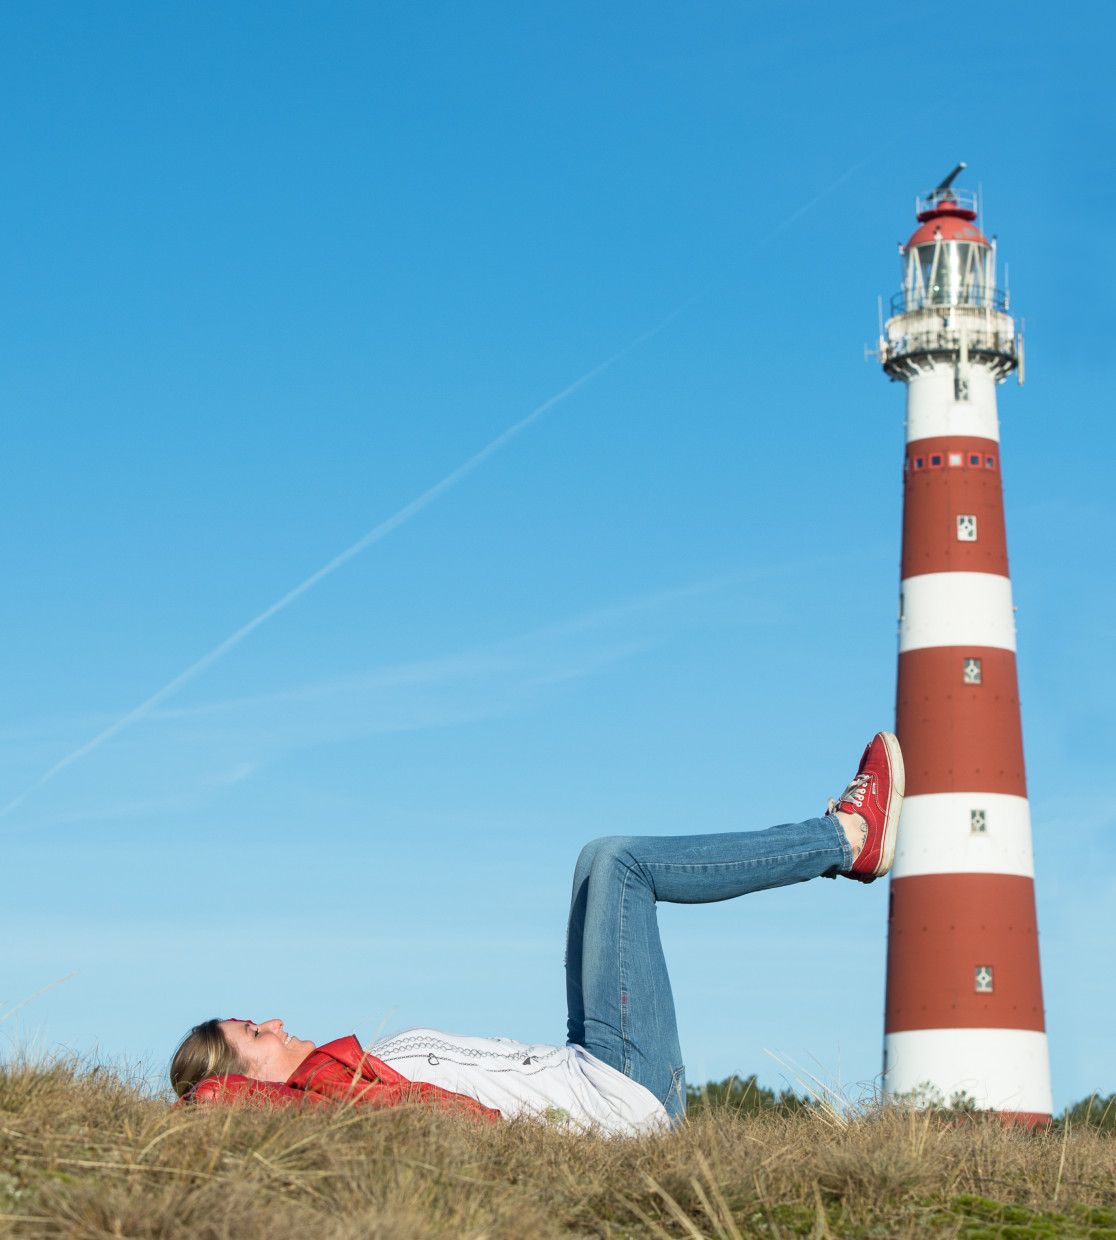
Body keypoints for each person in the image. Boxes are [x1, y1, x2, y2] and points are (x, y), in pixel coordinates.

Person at [170, 731, 903, 1135]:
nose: (275, 1021)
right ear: (246, 1079)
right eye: (255, 1034)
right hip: (619, 1100)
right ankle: (844, 838)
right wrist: (207, 1102)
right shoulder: (320, 1095)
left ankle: (842, 841)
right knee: (622, 864)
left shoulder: (338, 1078)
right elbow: (212, 1104)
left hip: (590, 1068)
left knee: (594, 862)